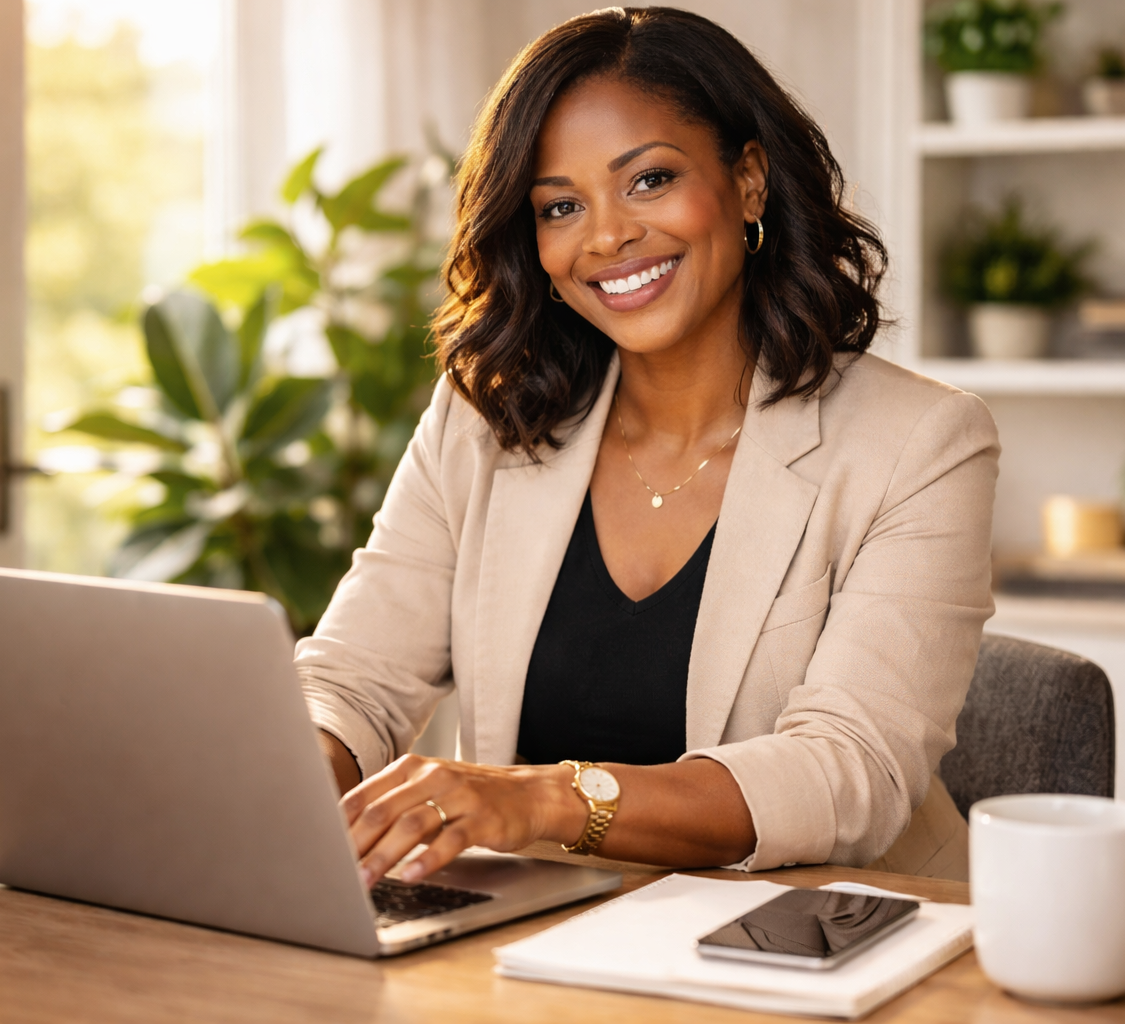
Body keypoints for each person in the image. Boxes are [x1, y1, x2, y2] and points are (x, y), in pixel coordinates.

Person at [297, 7, 998, 890]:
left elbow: (849, 773)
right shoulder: (485, 421)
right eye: (560, 205)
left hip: (814, 945)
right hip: (529, 945)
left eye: (650, 180)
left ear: (748, 182)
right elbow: (354, 680)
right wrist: (294, 779)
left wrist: (545, 801)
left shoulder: (922, 444)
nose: (607, 237)